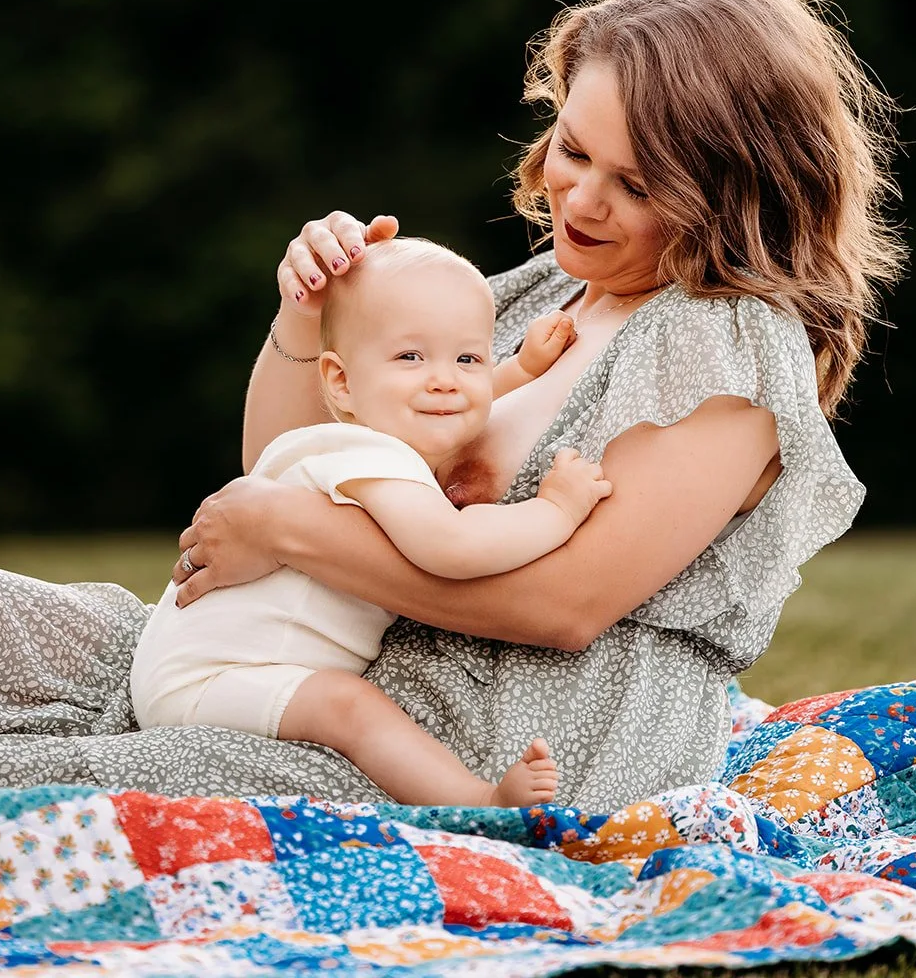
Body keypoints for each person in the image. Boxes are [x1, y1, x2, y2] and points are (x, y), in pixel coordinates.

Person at [0, 0, 905, 808]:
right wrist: (305, 314)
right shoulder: (540, 289)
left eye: (639, 184)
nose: (579, 196)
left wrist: (290, 533)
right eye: (572, 148)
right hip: (333, 652)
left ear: (735, 188)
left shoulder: (721, 341)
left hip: (501, 732)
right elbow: (291, 463)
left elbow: (562, 606)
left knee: (2, 789)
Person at [130, 237, 611, 807]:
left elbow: (447, 406)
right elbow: (451, 547)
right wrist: (556, 509)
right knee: (349, 707)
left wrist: (520, 369)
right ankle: (479, 802)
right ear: (339, 381)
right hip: (215, 678)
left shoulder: (372, 440)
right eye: (410, 357)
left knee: (344, 699)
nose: (443, 380)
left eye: (468, 358)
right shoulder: (370, 458)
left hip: (196, 667)